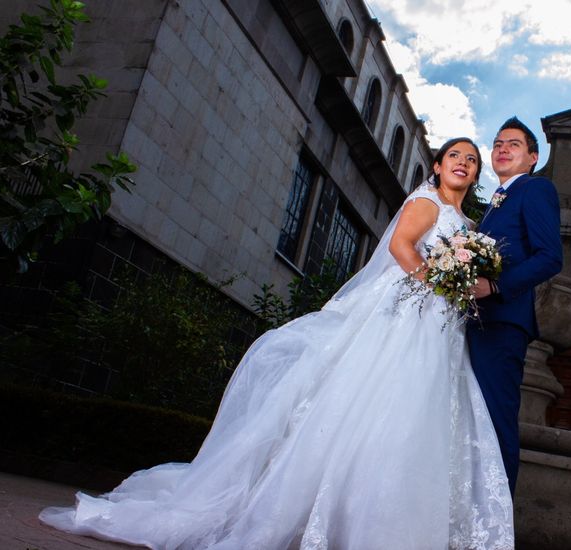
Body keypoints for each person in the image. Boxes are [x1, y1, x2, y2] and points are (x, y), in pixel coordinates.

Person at [39, 138, 514, 550]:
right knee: (378, 402)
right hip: (408, 315)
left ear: (475, 175)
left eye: (472, 160)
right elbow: (400, 248)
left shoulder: (470, 226)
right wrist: (438, 281)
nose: (463, 163)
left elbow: (468, 275)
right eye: (455, 155)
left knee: (419, 414)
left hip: (443, 331)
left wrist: (468, 285)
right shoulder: (426, 202)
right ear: (437, 165)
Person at [468, 117, 563, 496]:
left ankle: (497, 521)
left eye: (514, 145)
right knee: (473, 417)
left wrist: (494, 285)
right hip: (477, 320)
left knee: (494, 419)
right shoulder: (495, 202)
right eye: (497, 144)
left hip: (503, 322)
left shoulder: (536, 189)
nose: (502, 149)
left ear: (533, 158)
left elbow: (550, 257)